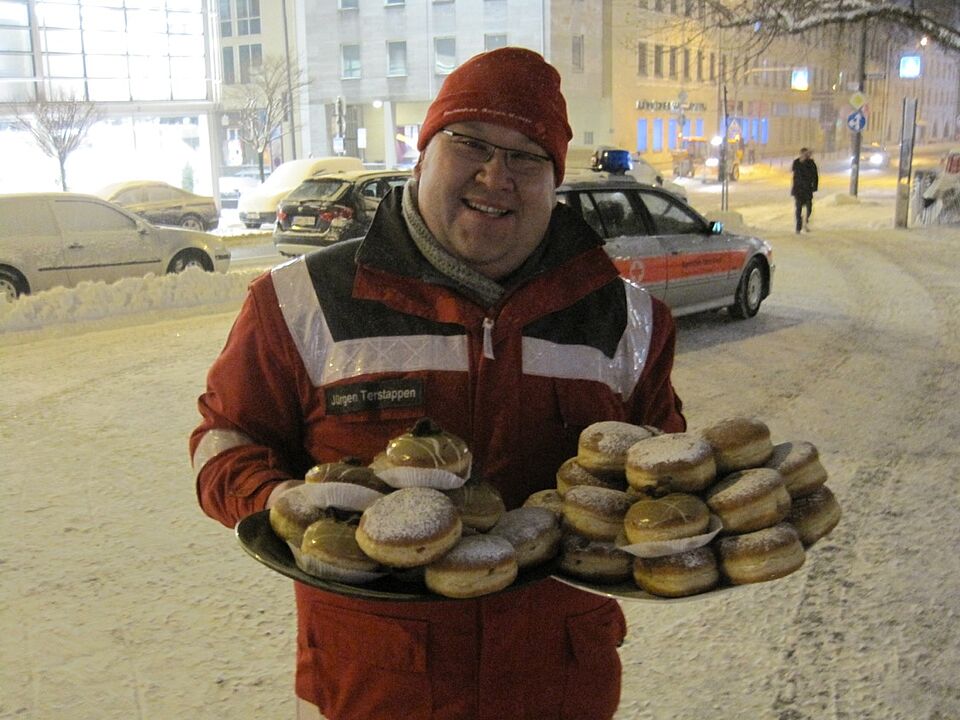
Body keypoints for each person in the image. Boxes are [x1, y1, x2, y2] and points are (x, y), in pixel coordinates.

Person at [190, 46, 685, 720]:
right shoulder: (300, 301)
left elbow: (661, 472)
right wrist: (280, 501)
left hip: (559, 686)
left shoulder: (628, 319)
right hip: (371, 687)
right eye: (471, 143)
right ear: (422, 156)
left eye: (527, 157)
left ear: (555, 182)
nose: (495, 175)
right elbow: (223, 442)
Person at [791, 147, 819, 233]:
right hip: (798, 189)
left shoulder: (811, 163)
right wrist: (801, 161)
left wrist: (815, 187)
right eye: (803, 154)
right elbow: (794, 171)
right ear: (800, 154)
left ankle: (806, 222)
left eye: (806, 154)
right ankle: (798, 227)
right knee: (798, 208)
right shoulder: (796, 162)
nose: (805, 155)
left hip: (807, 189)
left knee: (809, 208)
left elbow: (815, 176)